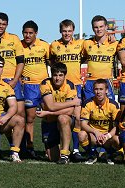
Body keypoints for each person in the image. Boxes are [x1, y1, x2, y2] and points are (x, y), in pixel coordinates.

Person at [50, 19, 85, 162]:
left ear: (73, 31)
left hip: (75, 85)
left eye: (69, 31)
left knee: (76, 118)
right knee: (61, 117)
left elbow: (86, 57)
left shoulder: (80, 44)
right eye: (64, 31)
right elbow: (52, 62)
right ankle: (63, 146)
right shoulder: (54, 45)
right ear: (60, 31)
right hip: (60, 87)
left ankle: (75, 149)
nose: (67, 34)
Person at [37, 62, 81, 164]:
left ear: (65, 76)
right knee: (53, 158)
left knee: (63, 118)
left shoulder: (70, 85)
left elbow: (70, 111)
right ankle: (66, 147)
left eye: (60, 75)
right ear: (51, 75)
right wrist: (72, 102)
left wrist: (47, 112)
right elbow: (51, 105)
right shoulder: (45, 83)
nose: (57, 78)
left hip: (61, 119)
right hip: (49, 122)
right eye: (55, 75)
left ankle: (65, 153)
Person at [21, 20, 50, 158]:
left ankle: (49, 147)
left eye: (30, 33)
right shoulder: (19, 46)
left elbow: (52, 61)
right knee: (30, 119)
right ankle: (30, 147)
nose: (27, 35)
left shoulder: (44, 45)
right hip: (28, 87)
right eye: (25, 33)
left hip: (44, 86)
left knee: (48, 117)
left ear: (36, 33)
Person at [79, 79, 120, 165]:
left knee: (118, 139)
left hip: (107, 136)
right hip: (93, 135)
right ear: (93, 90)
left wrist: (107, 136)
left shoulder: (113, 105)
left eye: (101, 89)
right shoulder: (88, 103)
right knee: (81, 135)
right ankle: (92, 154)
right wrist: (95, 132)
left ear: (107, 91)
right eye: (96, 89)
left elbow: (117, 126)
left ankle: (109, 154)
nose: (98, 92)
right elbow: (83, 124)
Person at [82, 15, 118, 100]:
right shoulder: (86, 43)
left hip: (106, 81)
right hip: (90, 81)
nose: (99, 29)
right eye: (96, 27)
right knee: (89, 108)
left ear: (106, 27)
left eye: (101, 26)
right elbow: (80, 60)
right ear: (92, 28)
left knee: (109, 108)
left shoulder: (114, 43)